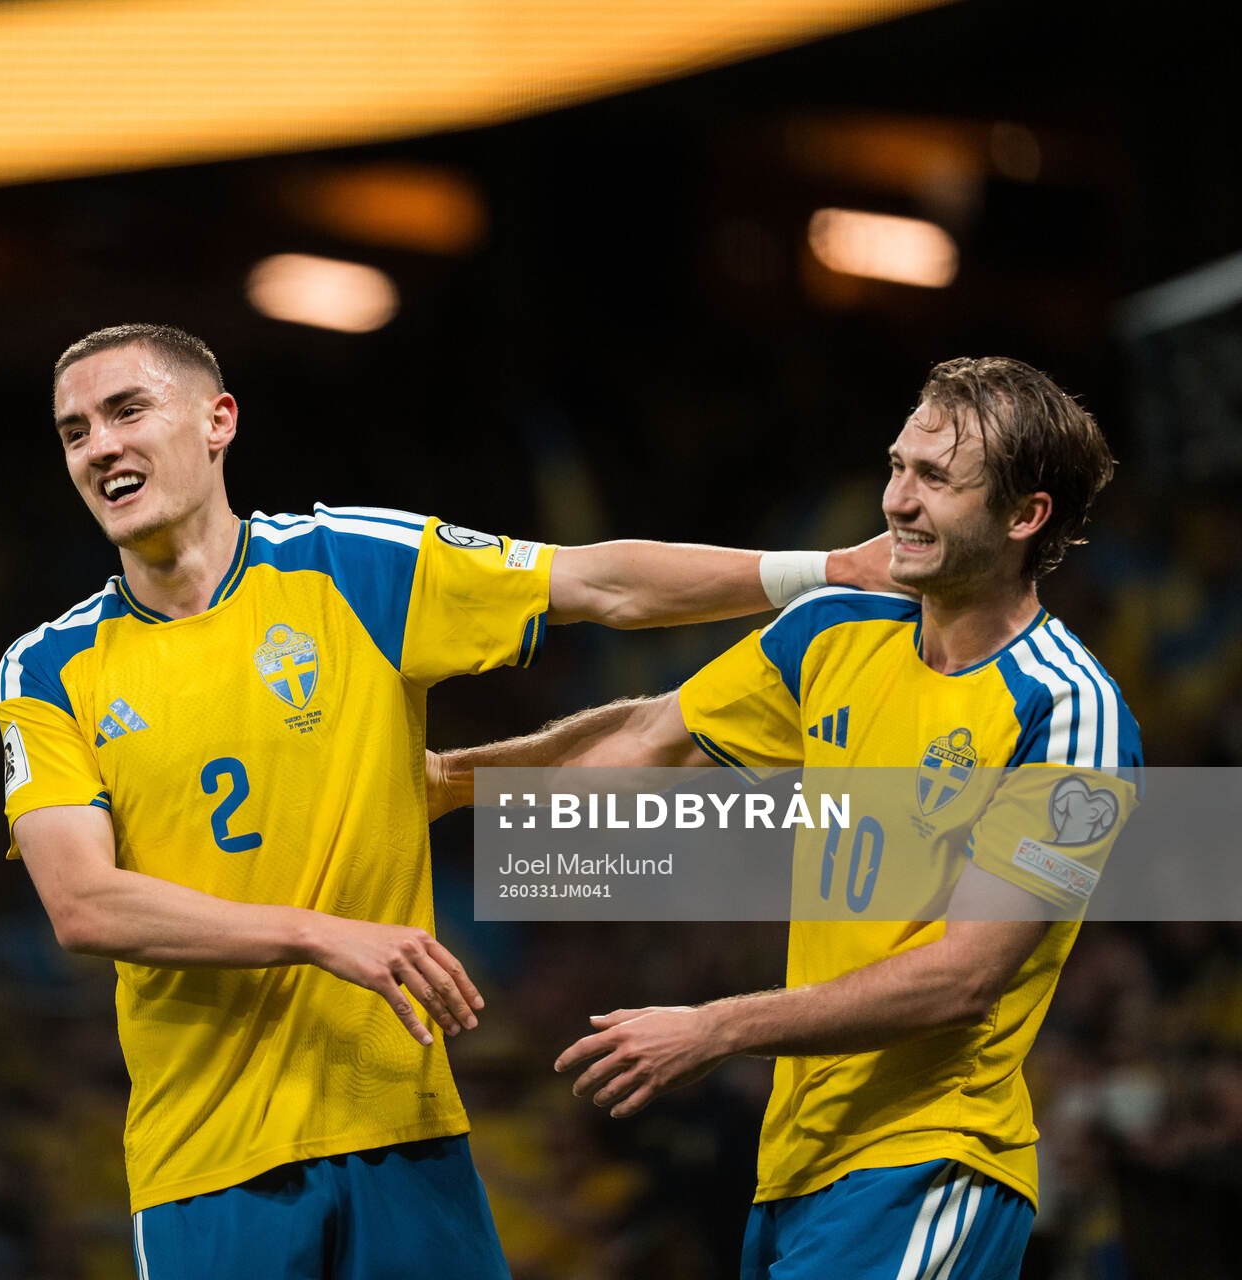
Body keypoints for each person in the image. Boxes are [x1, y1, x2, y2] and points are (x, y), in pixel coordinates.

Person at [0, 322, 893, 1278]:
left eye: (127, 411)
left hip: (401, 1125)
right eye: (75, 431)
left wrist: (827, 571)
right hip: (207, 1161)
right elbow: (84, 905)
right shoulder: (49, 668)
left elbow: (596, 582)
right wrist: (321, 933)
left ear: (218, 422)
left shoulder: (350, 565)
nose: (100, 447)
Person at [432, 356, 1142, 1279]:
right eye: (897, 467)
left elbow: (966, 976)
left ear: (1024, 516)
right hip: (795, 1165)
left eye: (935, 480)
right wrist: (443, 781)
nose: (897, 501)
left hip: (930, 1161)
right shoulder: (838, 627)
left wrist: (717, 1027)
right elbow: (653, 739)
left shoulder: (1071, 710)